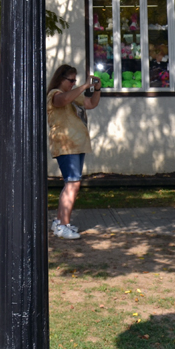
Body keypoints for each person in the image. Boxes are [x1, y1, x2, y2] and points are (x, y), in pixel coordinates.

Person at [46, 64, 101, 240]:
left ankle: (59, 221)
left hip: (77, 146)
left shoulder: (73, 97)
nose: (73, 84)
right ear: (60, 79)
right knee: (73, 183)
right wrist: (84, 86)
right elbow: (62, 100)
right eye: (71, 80)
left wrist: (96, 89)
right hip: (66, 145)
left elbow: (91, 103)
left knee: (71, 183)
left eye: (75, 81)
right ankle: (63, 226)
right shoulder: (54, 95)